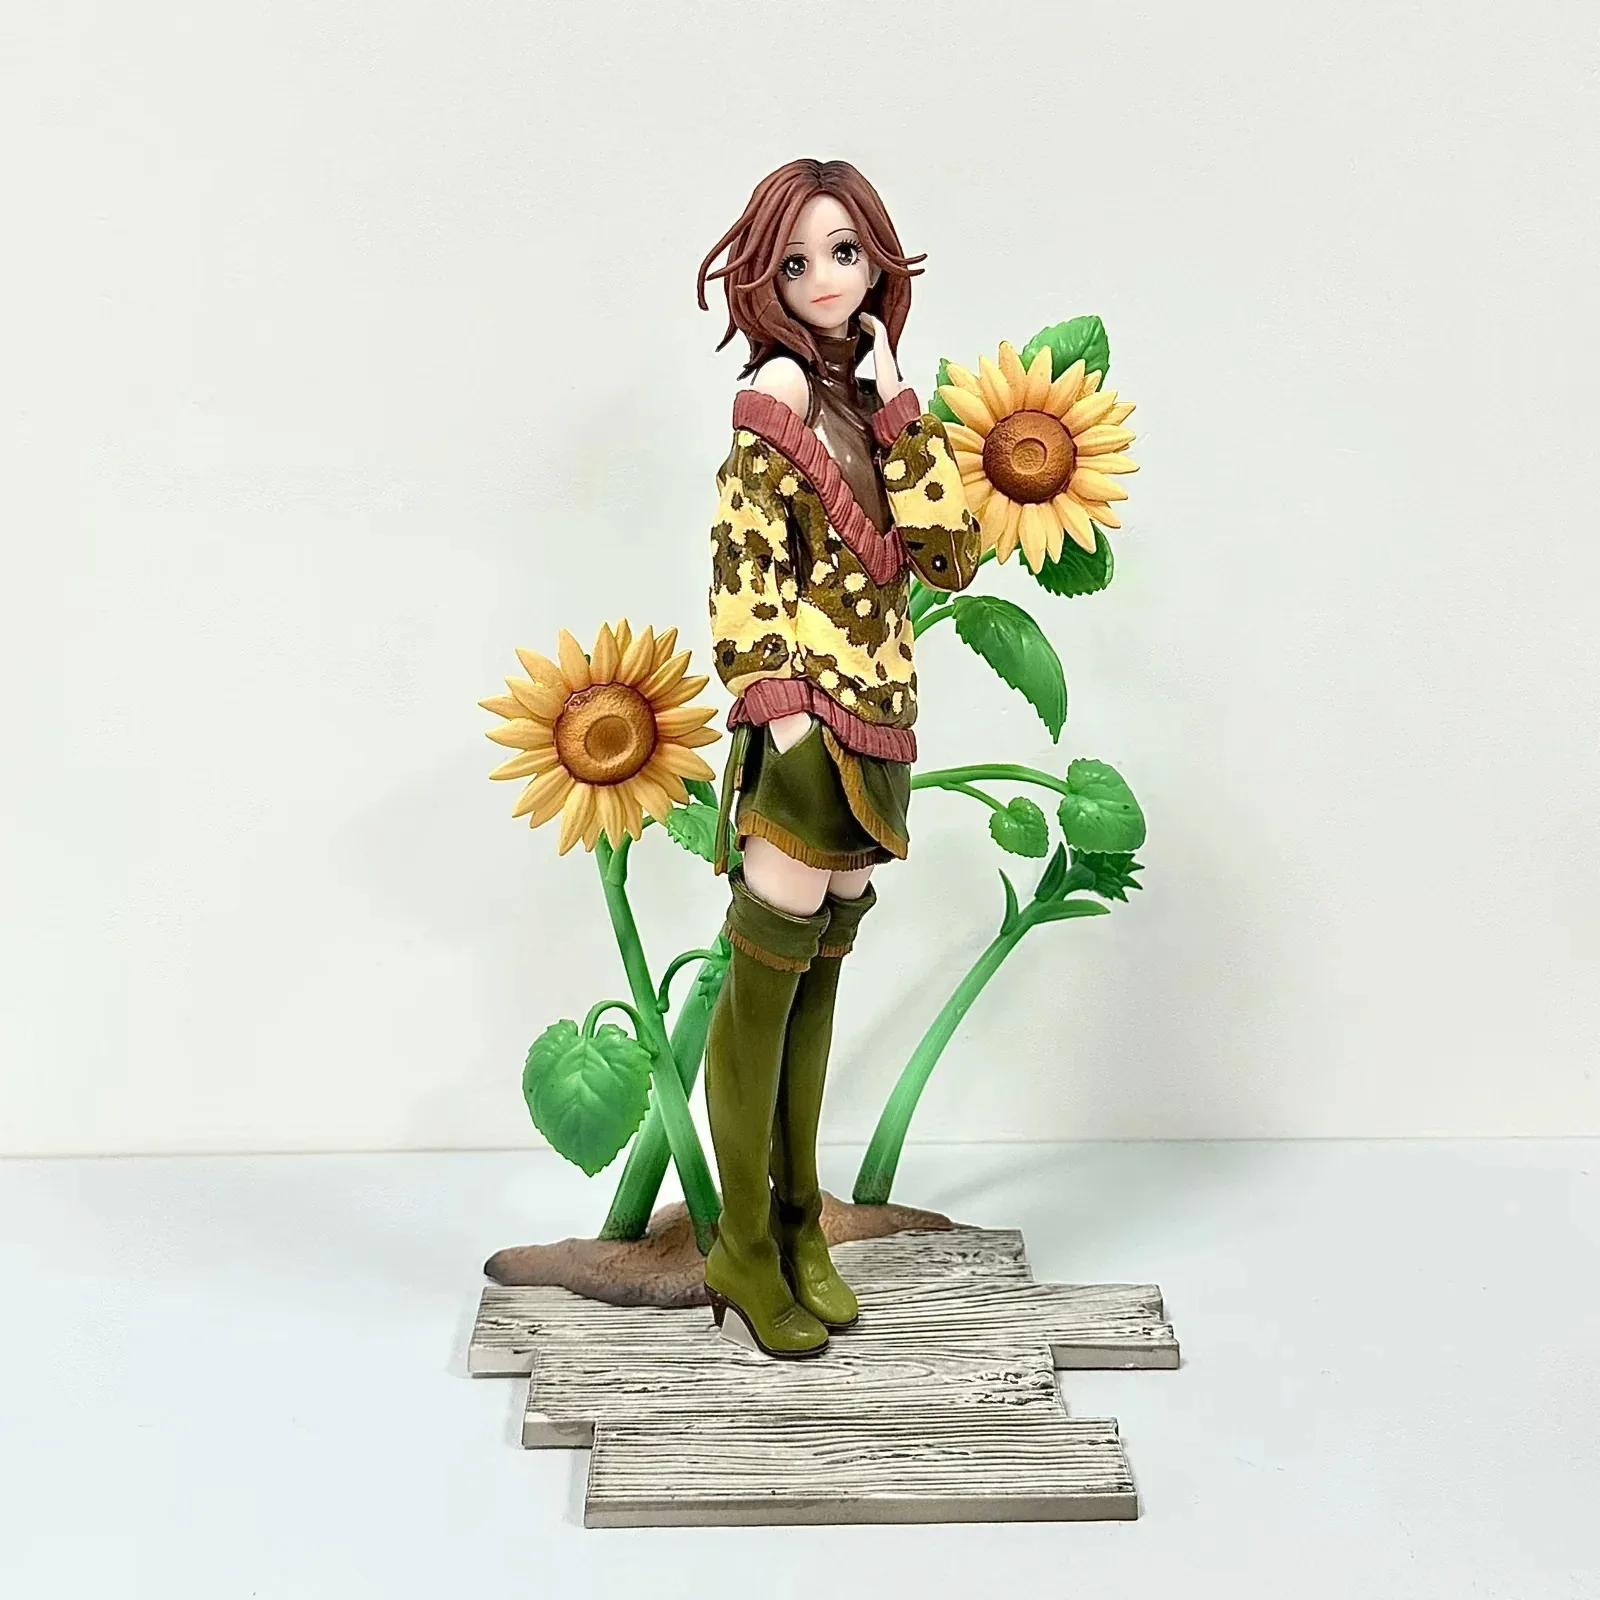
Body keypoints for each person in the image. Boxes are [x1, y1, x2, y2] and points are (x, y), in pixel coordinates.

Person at [695, 159, 982, 1357]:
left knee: (817, 981)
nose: (822, 277)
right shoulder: (772, 400)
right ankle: (741, 1241)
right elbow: (742, 564)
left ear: (877, 262)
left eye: (844, 252)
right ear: (765, 277)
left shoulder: (867, 404)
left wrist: (901, 396)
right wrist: (785, 718)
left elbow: (950, 553)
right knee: (763, 984)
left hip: (880, 723)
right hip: (807, 724)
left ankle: (797, 1223)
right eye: (797, 259)